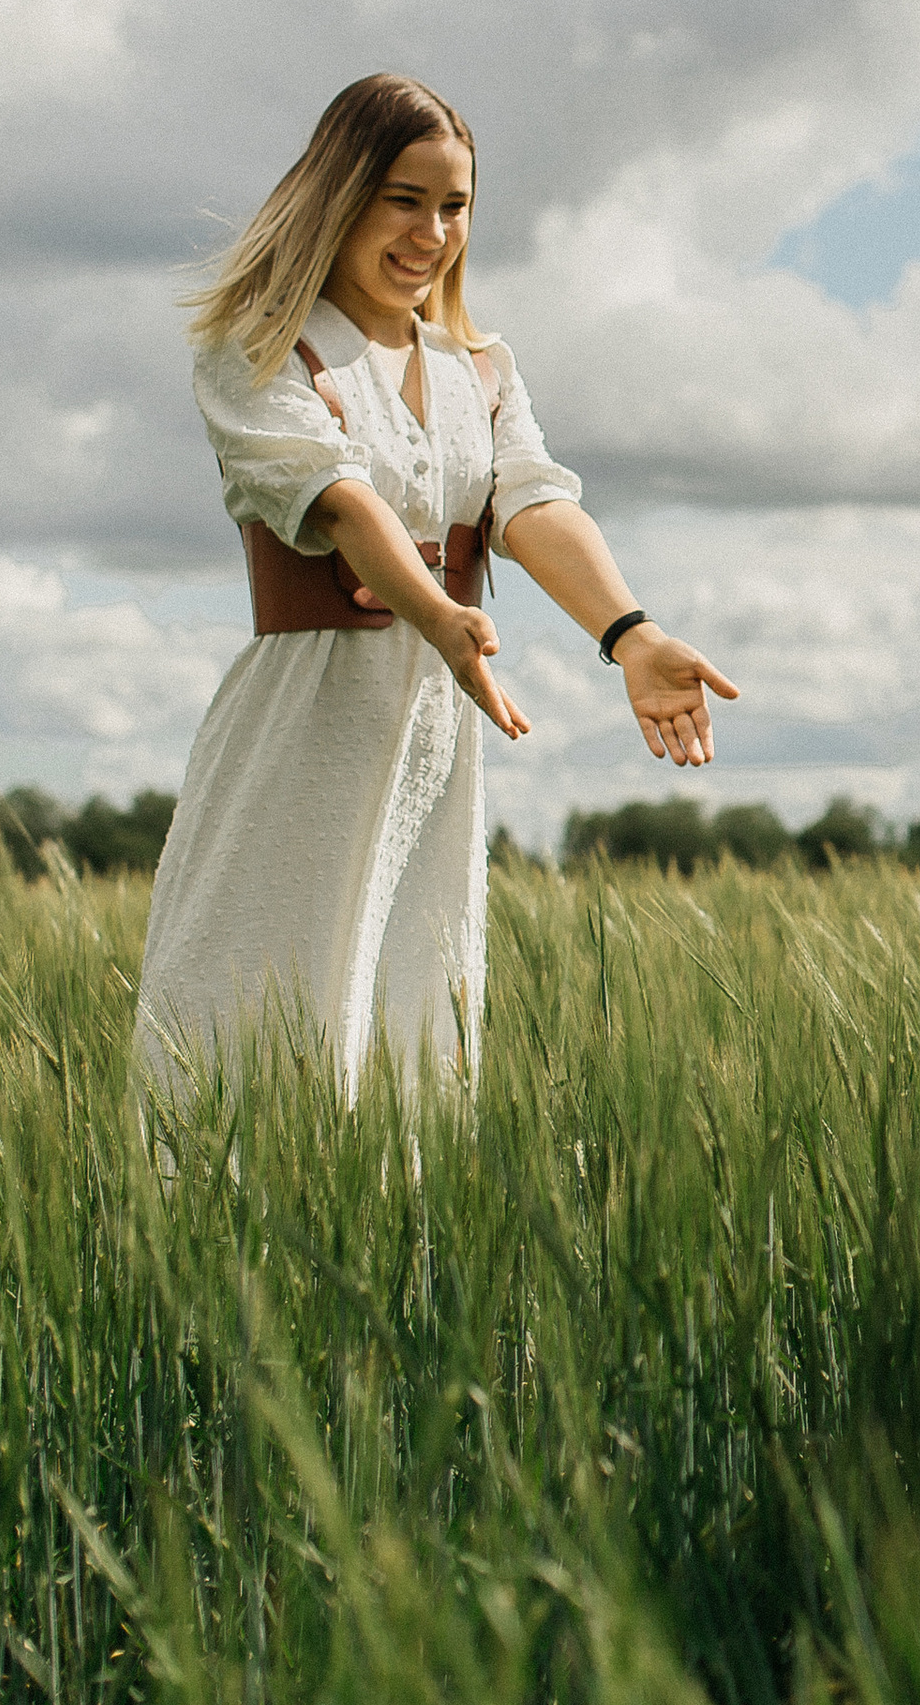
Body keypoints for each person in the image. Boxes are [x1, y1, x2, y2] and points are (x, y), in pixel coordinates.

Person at [136, 73, 738, 1101]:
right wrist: (437, 612)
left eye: (453, 204)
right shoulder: (263, 345)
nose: (431, 230)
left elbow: (535, 504)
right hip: (306, 722)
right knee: (250, 1020)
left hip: (428, 730)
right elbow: (335, 498)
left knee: (408, 1027)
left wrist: (629, 633)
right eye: (402, 198)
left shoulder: (480, 367)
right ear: (340, 194)